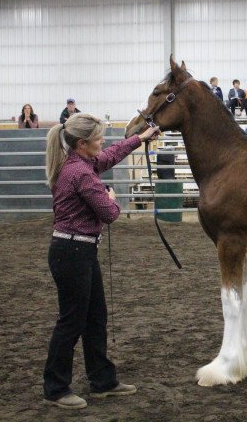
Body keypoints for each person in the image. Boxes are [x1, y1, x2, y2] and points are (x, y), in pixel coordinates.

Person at [43, 113, 160, 409]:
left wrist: (139, 139)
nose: (103, 142)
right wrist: (111, 197)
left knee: (95, 317)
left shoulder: (80, 163)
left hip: (78, 251)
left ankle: (102, 381)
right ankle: (56, 388)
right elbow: (109, 215)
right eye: (98, 138)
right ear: (83, 144)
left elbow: (109, 155)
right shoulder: (81, 174)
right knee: (71, 321)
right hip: (73, 253)